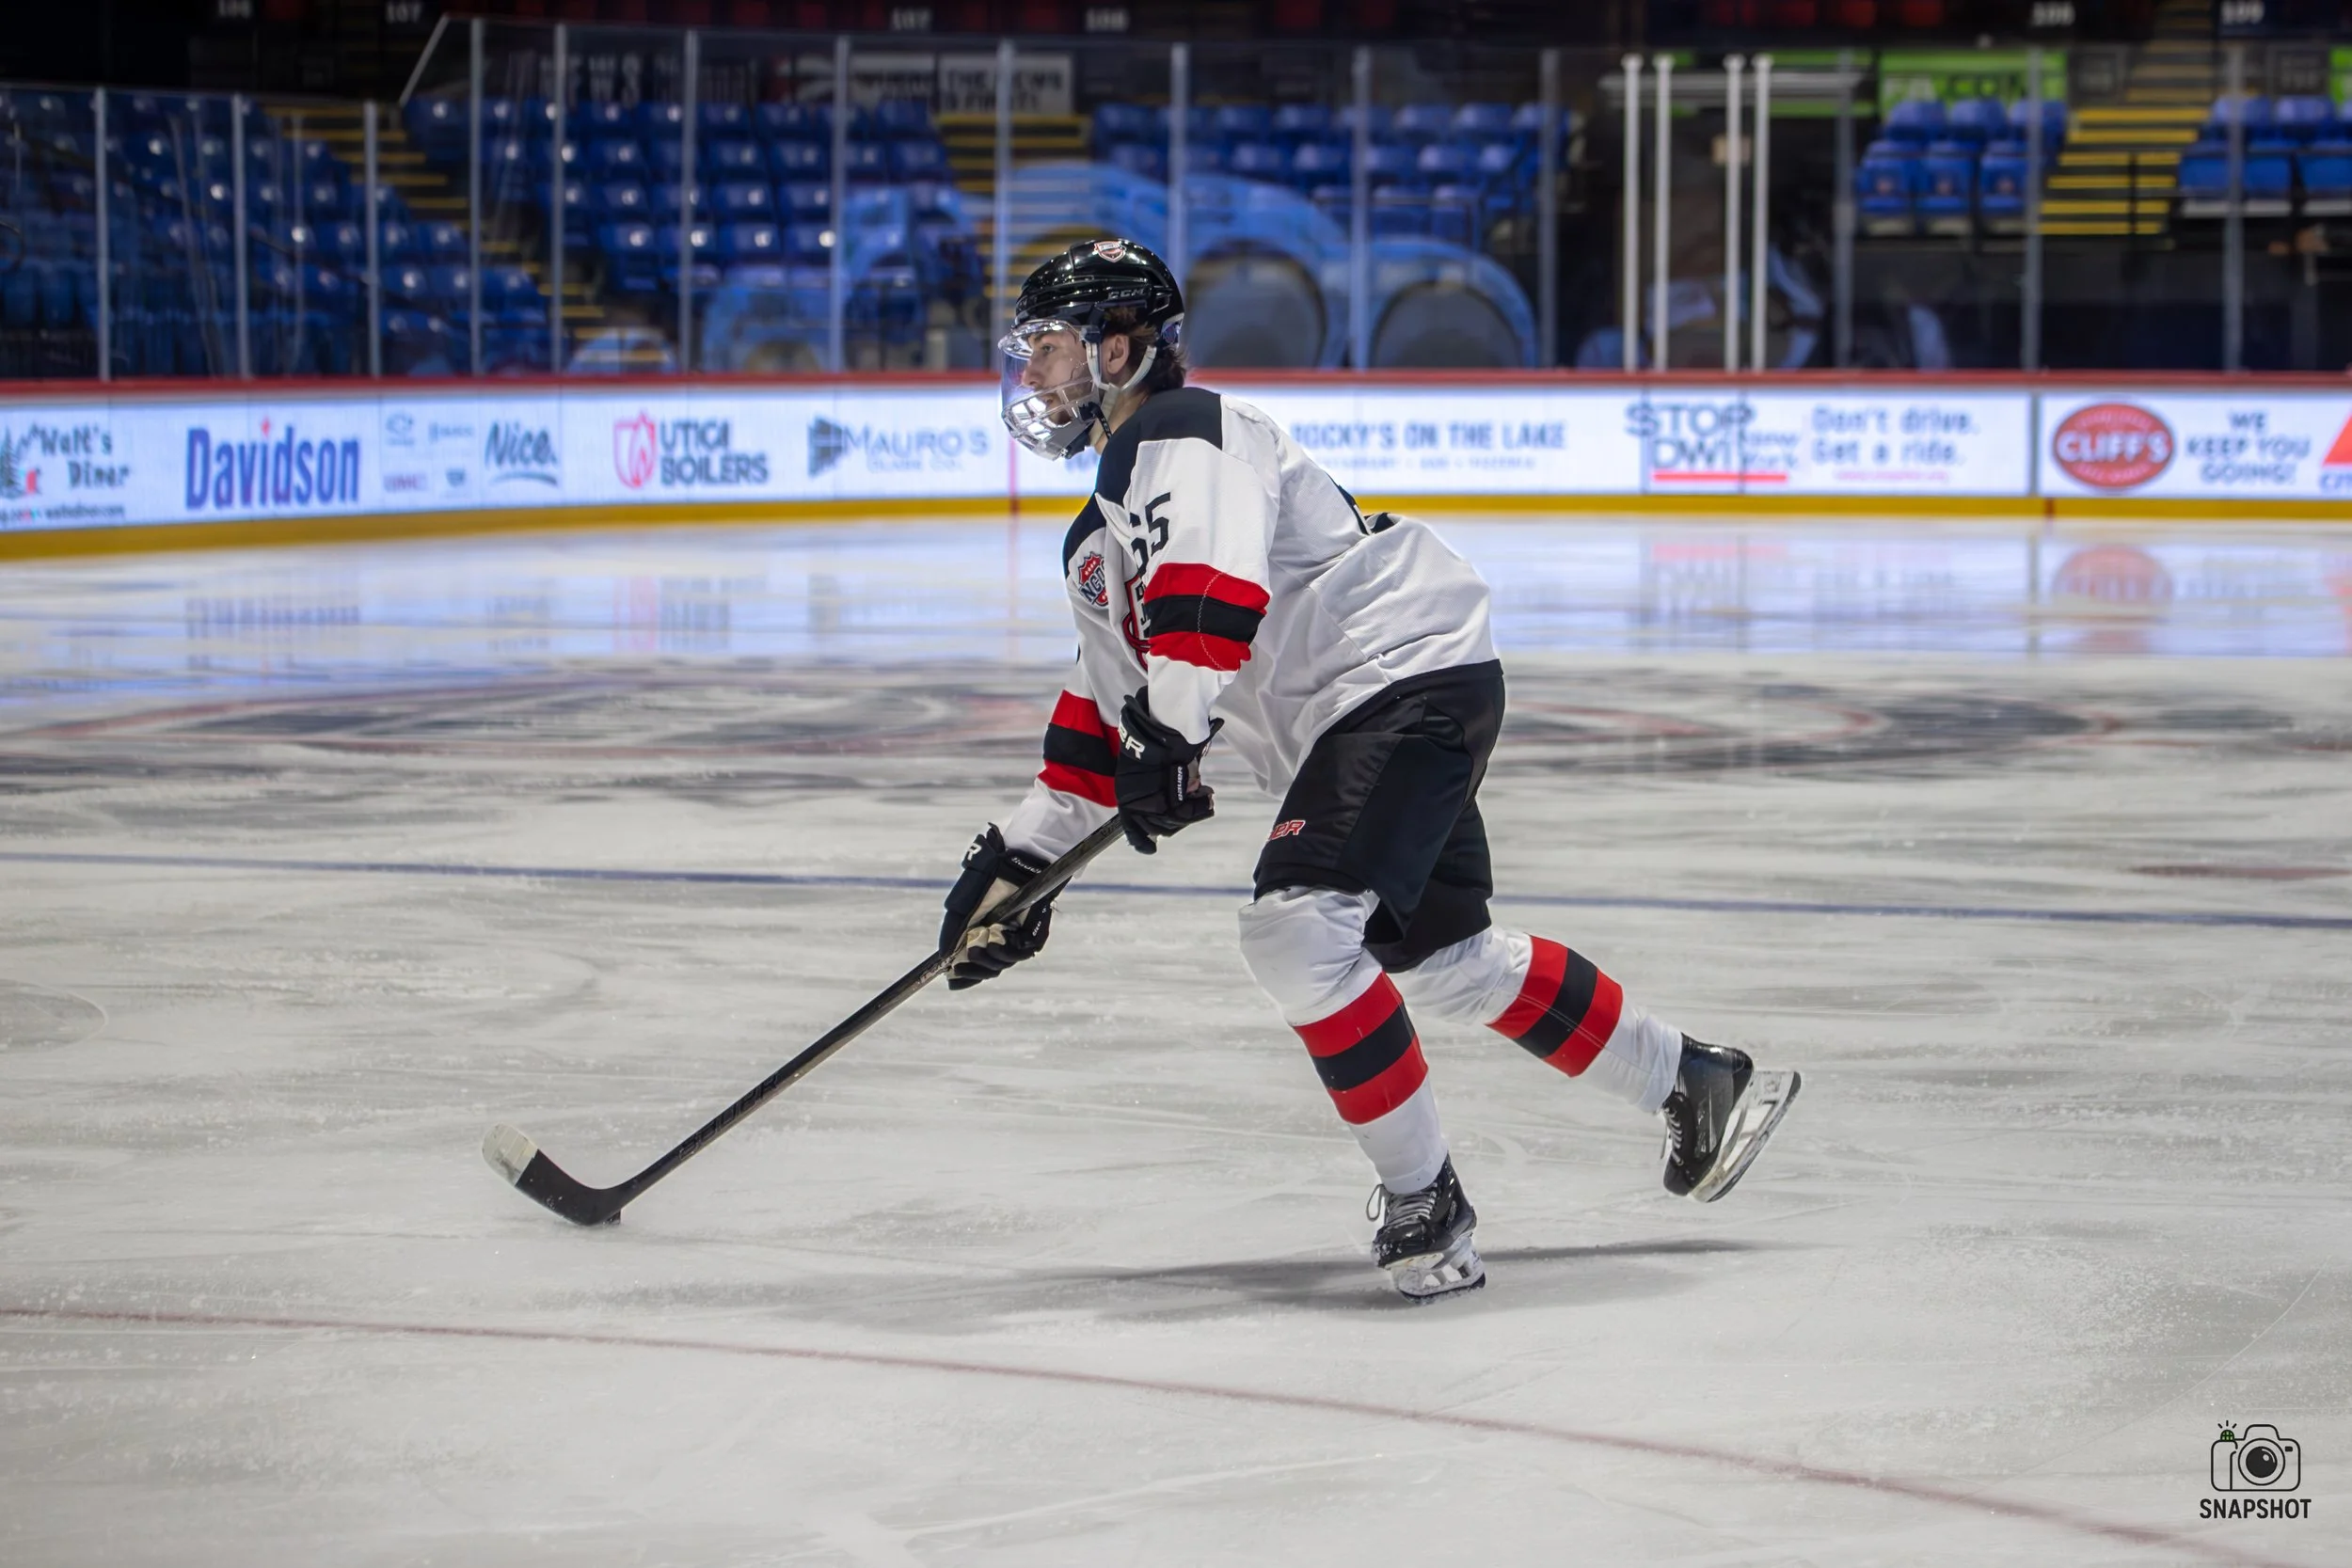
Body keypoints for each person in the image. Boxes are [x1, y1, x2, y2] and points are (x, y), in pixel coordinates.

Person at [940, 239, 1799, 1301]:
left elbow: (1208, 601)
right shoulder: (1096, 541)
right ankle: (1695, 1080)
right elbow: (1098, 729)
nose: (1031, 373)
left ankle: (1425, 1199)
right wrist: (1018, 864)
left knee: (1298, 930)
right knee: (1446, 957)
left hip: (1396, 678)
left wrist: (1169, 735)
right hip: (1383, 703)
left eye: (1052, 348)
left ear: (1118, 350)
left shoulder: (1185, 430)